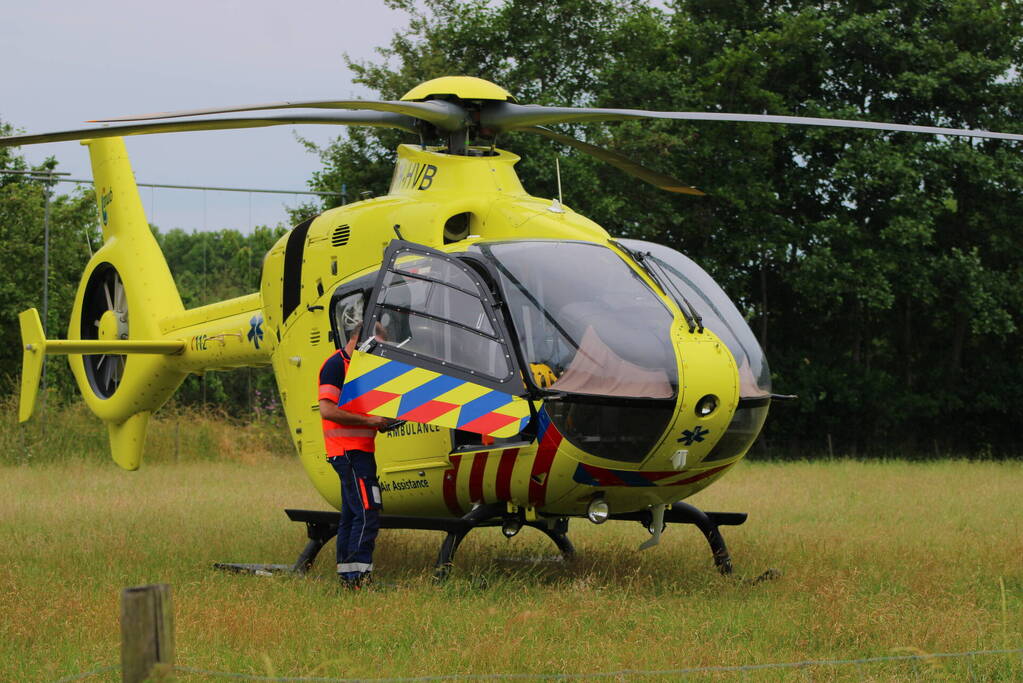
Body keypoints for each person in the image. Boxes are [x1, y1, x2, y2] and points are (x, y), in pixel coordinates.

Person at [318, 325, 393, 589]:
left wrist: (380, 422)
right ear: (359, 340)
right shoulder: (336, 365)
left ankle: (349, 576)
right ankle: (360, 577)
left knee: (352, 514)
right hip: (348, 451)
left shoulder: (362, 370)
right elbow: (327, 409)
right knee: (367, 510)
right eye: (377, 347)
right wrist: (370, 420)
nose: (378, 355)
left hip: (359, 450)